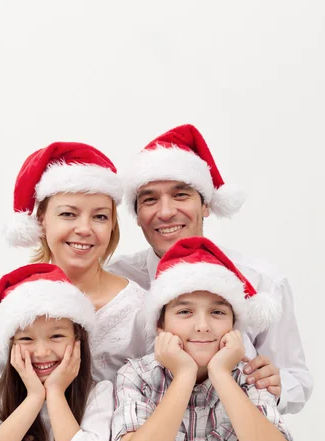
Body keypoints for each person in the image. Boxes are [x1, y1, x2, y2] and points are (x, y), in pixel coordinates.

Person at [109, 124, 312, 414]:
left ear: (206, 205)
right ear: (137, 216)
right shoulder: (118, 280)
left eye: (181, 195)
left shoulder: (263, 282)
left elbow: (298, 379)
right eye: (150, 199)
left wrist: (278, 386)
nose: (165, 212)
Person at [111, 237, 293, 441]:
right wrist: (185, 375)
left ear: (234, 324)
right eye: (185, 312)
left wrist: (220, 373)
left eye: (217, 312)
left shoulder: (248, 375)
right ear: (160, 325)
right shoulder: (135, 376)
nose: (203, 326)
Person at [5, 141, 148, 384]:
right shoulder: (19, 300)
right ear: (41, 219)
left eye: (100, 216)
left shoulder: (139, 310)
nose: (84, 229)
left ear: (112, 224)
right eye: (68, 214)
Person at [0, 263, 113, 441]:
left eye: (56, 336)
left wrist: (54, 392)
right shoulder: (0, 394)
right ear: (11, 346)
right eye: (26, 339)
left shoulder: (98, 392)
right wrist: (34, 397)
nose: (43, 352)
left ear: (78, 341)